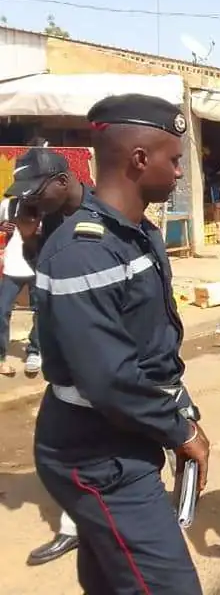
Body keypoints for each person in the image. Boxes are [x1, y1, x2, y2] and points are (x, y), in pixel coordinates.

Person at [33, 94, 209, 594]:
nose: (179, 173)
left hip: (123, 434)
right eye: (174, 160)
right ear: (138, 159)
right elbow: (109, 378)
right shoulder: (83, 253)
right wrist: (179, 431)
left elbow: (149, 348)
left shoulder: (135, 234)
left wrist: (180, 408)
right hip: (96, 451)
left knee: (112, 576)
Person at [5, 149, 86, 565]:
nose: (32, 202)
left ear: (61, 181)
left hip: (107, 359)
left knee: (133, 440)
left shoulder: (103, 215)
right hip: (66, 360)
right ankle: (75, 526)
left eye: (35, 193)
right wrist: (31, 236)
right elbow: (46, 279)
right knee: (60, 450)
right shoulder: (49, 218)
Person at [0, 196, 40, 378]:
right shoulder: (8, 205)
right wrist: (1, 227)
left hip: (38, 266)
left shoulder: (47, 206)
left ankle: (34, 351)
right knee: (2, 310)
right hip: (12, 266)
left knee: (41, 311)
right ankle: (1, 355)